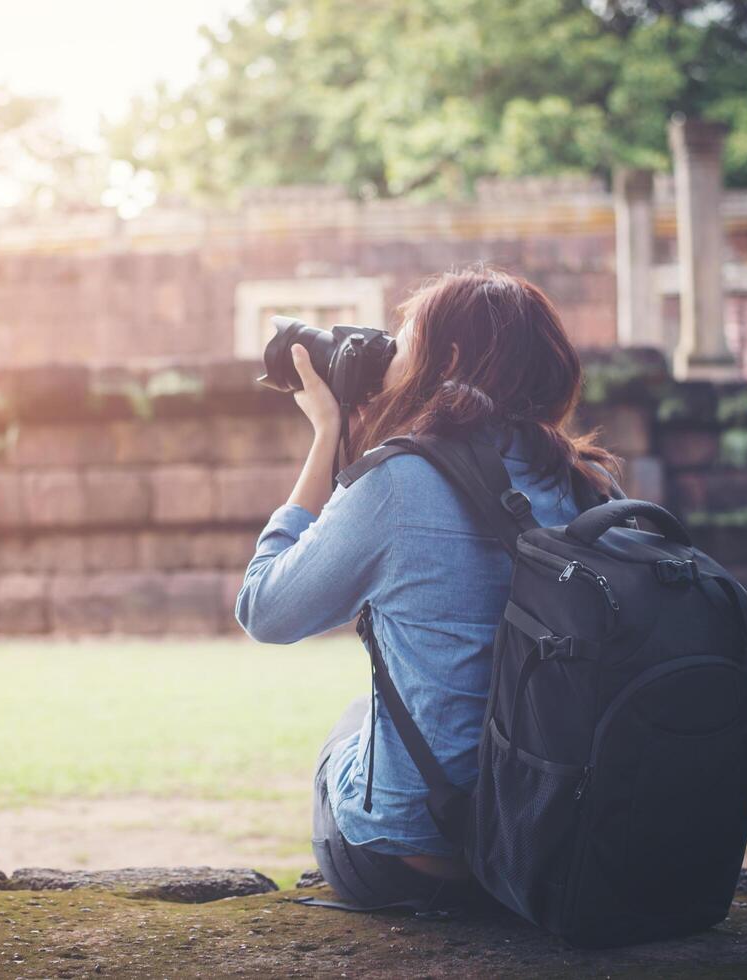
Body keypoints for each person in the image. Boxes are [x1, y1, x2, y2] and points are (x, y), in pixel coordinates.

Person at [234, 267, 620, 912]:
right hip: (549, 841)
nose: (388, 349)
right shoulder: (592, 485)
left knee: (357, 719)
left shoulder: (398, 481)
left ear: (451, 357)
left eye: (404, 335)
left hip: (419, 858)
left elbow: (265, 610)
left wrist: (329, 435)